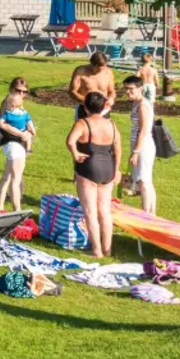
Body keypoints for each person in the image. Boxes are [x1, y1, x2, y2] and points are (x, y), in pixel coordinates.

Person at [66, 91, 121, 257]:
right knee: (104, 210)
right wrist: (116, 170)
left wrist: (75, 153)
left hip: (88, 167)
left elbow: (70, 141)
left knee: (90, 211)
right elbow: (118, 149)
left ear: (85, 107)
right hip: (108, 168)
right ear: (104, 106)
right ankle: (108, 249)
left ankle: (96, 250)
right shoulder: (111, 125)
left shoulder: (83, 123)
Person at [0, 76, 36, 213]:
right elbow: (1, 124)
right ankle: (16, 211)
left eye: (25, 92)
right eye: (19, 91)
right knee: (15, 178)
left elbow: (29, 127)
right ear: (12, 89)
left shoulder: (18, 104)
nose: (22, 94)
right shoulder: (9, 103)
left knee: (8, 176)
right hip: (12, 143)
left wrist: (28, 134)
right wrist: (22, 134)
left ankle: (0, 208)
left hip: (16, 143)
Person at [122, 75, 158, 216]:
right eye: (126, 89)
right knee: (146, 181)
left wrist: (136, 152)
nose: (127, 92)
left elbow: (144, 130)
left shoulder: (142, 105)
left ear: (140, 89)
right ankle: (151, 214)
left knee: (143, 183)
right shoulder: (137, 103)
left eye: (131, 89)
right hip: (141, 145)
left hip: (143, 146)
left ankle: (146, 216)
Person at [68, 52, 115, 120]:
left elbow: (112, 91)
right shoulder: (80, 71)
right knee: (84, 129)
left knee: (105, 130)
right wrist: (88, 102)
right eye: (98, 69)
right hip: (85, 108)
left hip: (103, 109)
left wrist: (111, 98)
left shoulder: (108, 72)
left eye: (103, 68)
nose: (100, 71)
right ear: (92, 64)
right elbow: (72, 92)